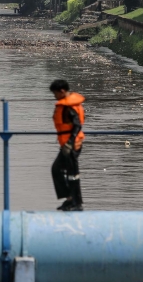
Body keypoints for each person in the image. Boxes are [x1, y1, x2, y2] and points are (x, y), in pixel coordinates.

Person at [49, 79, 85, 211]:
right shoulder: (67, 104)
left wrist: (70, 143)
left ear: (62, 91)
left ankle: (76, 203)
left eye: (55, 93)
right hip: (67, 145)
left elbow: (77, 125)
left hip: (72, 145)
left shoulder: (69, 107)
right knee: (57, 170)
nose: (54, 96)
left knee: (72, 174)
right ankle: (70, 199)